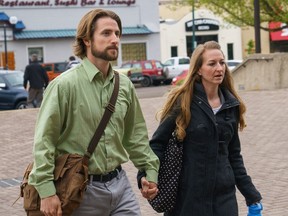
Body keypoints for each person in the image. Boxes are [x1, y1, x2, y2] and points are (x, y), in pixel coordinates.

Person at [28, 9, 159, 216]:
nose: (115, 39)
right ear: (87, 40)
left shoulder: (124, 85)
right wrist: (46, 191)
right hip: (79, 190)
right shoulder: (64, 86)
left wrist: (149, 171)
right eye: (106, 33)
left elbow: (136, 136)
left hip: (120, 186)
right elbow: (44, 141)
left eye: (117, 33)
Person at [149, 41, 263, 216]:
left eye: (222, 62)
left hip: (224, 199)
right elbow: (158, 144)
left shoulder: (230, 105)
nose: (219, 68)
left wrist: (251, 195)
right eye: (212, 63)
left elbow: (233, 155)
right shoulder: (183, 101)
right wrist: (147, 177)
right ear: (198, 69)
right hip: (188, 198)